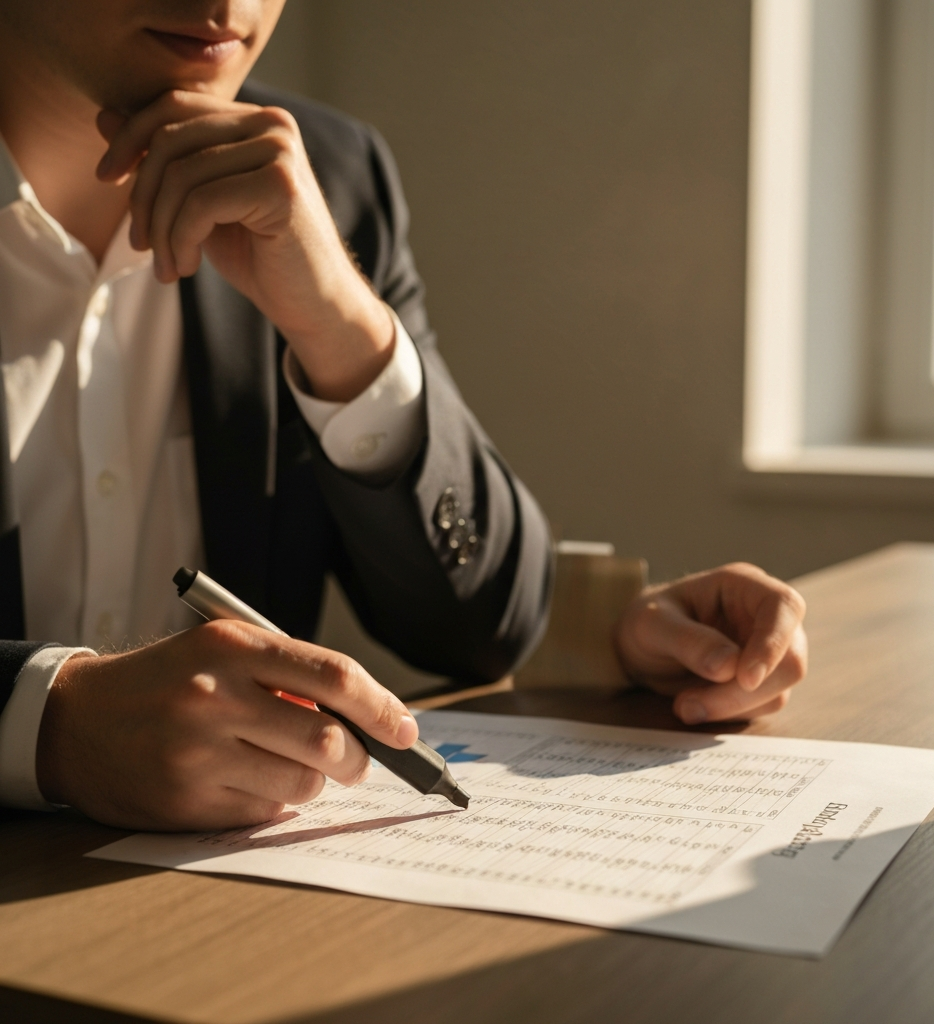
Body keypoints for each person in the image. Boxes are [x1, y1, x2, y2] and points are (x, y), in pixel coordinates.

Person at [0, 1, 807, 832]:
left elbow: (478, 627)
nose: (228, 2)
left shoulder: (326, 172)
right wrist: (51, 722)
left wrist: (344, 328)